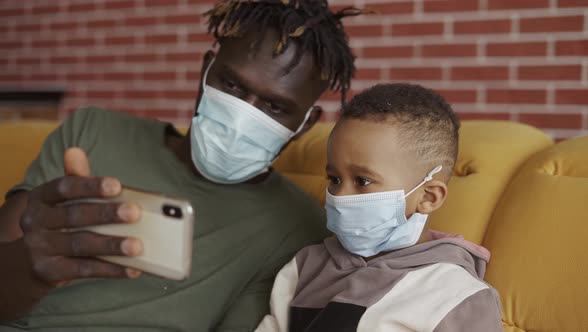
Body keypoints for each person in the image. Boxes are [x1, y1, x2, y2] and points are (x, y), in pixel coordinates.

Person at [0, 1, 364, 330]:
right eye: (233, 85)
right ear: (207, 70)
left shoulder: (297, 229)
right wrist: (31, 266)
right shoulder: (91, 132)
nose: (241, 116)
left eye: (273, 107)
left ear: (306, 123)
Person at [255, 83, 504, 332]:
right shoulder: (304, 268)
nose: (340, 196)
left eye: (362, 181)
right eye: (334, 179)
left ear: (428, 197)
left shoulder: (459, 296)